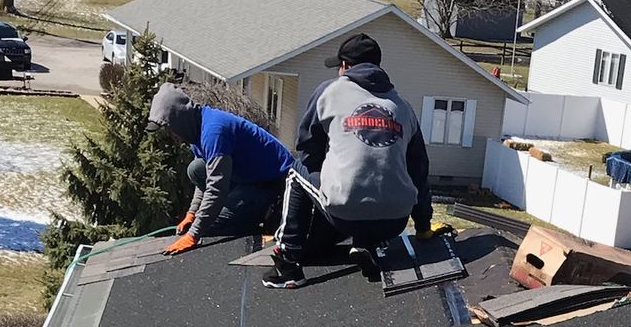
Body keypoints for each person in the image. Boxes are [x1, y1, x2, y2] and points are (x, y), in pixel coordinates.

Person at [263, 32, 433, 288]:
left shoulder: (329, 92)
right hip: (396, 220)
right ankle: (366, 245)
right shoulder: (403, 107)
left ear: (346, 66)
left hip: (345, 214)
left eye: (340, 66)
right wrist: (423, 226)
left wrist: (331, 169)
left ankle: (288, 261)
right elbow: (419, 169)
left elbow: (307, 148)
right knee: (375, 181)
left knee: (296, 171)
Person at [147, 83, 296, 254]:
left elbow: (216, 188)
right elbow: (206, 177)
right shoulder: (197, 127)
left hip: (274, 182)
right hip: (248, 176)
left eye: (170, 128)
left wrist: (193, 234)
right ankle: (238, 208)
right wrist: (192, 212)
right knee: (195, 169)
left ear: (179, 120)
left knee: (215, 225)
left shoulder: (213, 132)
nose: (172, 134)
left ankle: (255, 221)